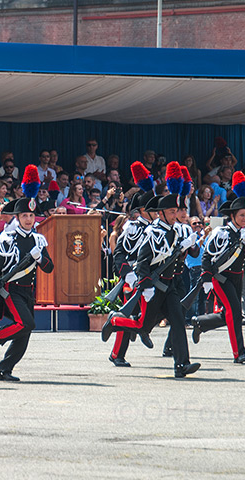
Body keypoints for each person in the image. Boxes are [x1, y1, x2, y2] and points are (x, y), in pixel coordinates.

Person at [102, 169, 201, 378]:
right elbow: (123, 255)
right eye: (171, 211)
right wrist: (130, 276)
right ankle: (115, 327)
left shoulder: (172, 230)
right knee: (140, 323)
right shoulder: (138, 229)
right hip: (142, 279)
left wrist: (188, 246)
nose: (174, 215)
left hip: (167, 283)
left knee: (177, 320)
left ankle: (182, 364)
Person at [0, 180, 54, 381]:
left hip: (28, 291)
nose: (28, 219)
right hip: (11, 290)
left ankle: (4, 370)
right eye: (24, 216)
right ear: (17, 217)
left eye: (31, 215)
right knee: (27, 324)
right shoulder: (8, 239)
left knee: (24, 333)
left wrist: (40, 258)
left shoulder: (38, 239)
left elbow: (49, 268)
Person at [191, 173, 245, 363]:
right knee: (234, 313)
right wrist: (206, 278)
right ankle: (239, 353)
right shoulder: (221, 232)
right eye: (242, 215)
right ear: (233, 215)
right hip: (221, 278)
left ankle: (201, 323)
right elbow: (207, 255)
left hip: (237, 277)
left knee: (228, 312)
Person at [105, 162, 155, 367]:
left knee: (150, 313)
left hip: (150, 277)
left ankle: (141, 330)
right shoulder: (133, 228)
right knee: (129, 314)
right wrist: (128, 275)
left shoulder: (155, 228)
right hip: (133, 277)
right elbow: (119, 254)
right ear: (143, 210)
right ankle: (117, 353)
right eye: (153, 209)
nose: (157, 212)